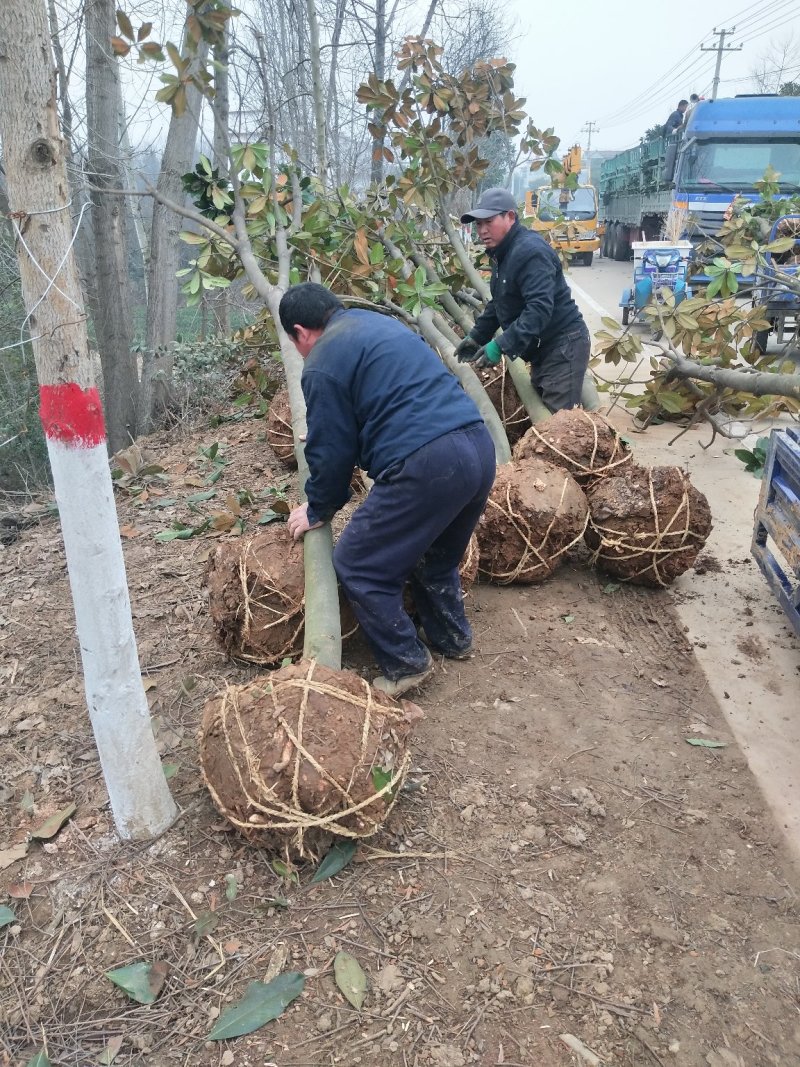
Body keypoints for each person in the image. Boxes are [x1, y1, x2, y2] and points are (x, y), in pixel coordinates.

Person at [280, 282, 496, 697]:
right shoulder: (380, 325)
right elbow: (394, 403)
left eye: (296, 343)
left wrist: (318, 507)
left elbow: (332, 450)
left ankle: (406, 662)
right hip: (476, 447)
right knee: (437, 556)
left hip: (428, 464)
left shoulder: (322, 360)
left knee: (359, 562)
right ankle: (453, 638)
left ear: (300, 332)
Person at [455, 187, 591, 412]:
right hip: (542, 348)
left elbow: (538, 309)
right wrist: (477, 336)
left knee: (558, 425)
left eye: (488, 222)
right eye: (478, 224)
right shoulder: (503, 252)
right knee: (543, 411)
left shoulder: (530, 252)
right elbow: (501, 302)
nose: (482, 230)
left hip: (563, 345)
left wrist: (500, 346)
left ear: (510, 217)